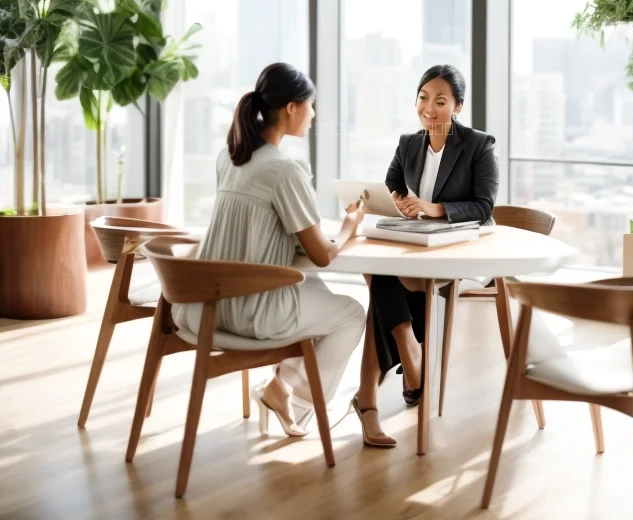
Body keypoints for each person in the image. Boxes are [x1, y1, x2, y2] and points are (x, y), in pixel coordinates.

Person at [172, 62, 366, 438]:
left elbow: (257, 223)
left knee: (316, 292)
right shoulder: (285, 171)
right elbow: (322, 255)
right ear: (292, 108)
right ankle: (296, 400)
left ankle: (281, 385)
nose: (313, 115)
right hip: (251, 313)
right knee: (352, 313)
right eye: (310, 106)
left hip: (204, 306)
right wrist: (348, 227)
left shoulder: (228, 157)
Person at [351, 64, 499, 447]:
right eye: (422, 97)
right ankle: (406, 350)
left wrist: (434, 209)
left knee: (379, 279)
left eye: (440, 100)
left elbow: (484, 206)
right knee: (381, 269)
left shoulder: (479, 145)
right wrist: (398, 203)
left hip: (463, 252)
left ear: (458, 106)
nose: (428, 107)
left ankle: (377, 387)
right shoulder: (408, 144)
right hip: (420, 247)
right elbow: (391, 188)